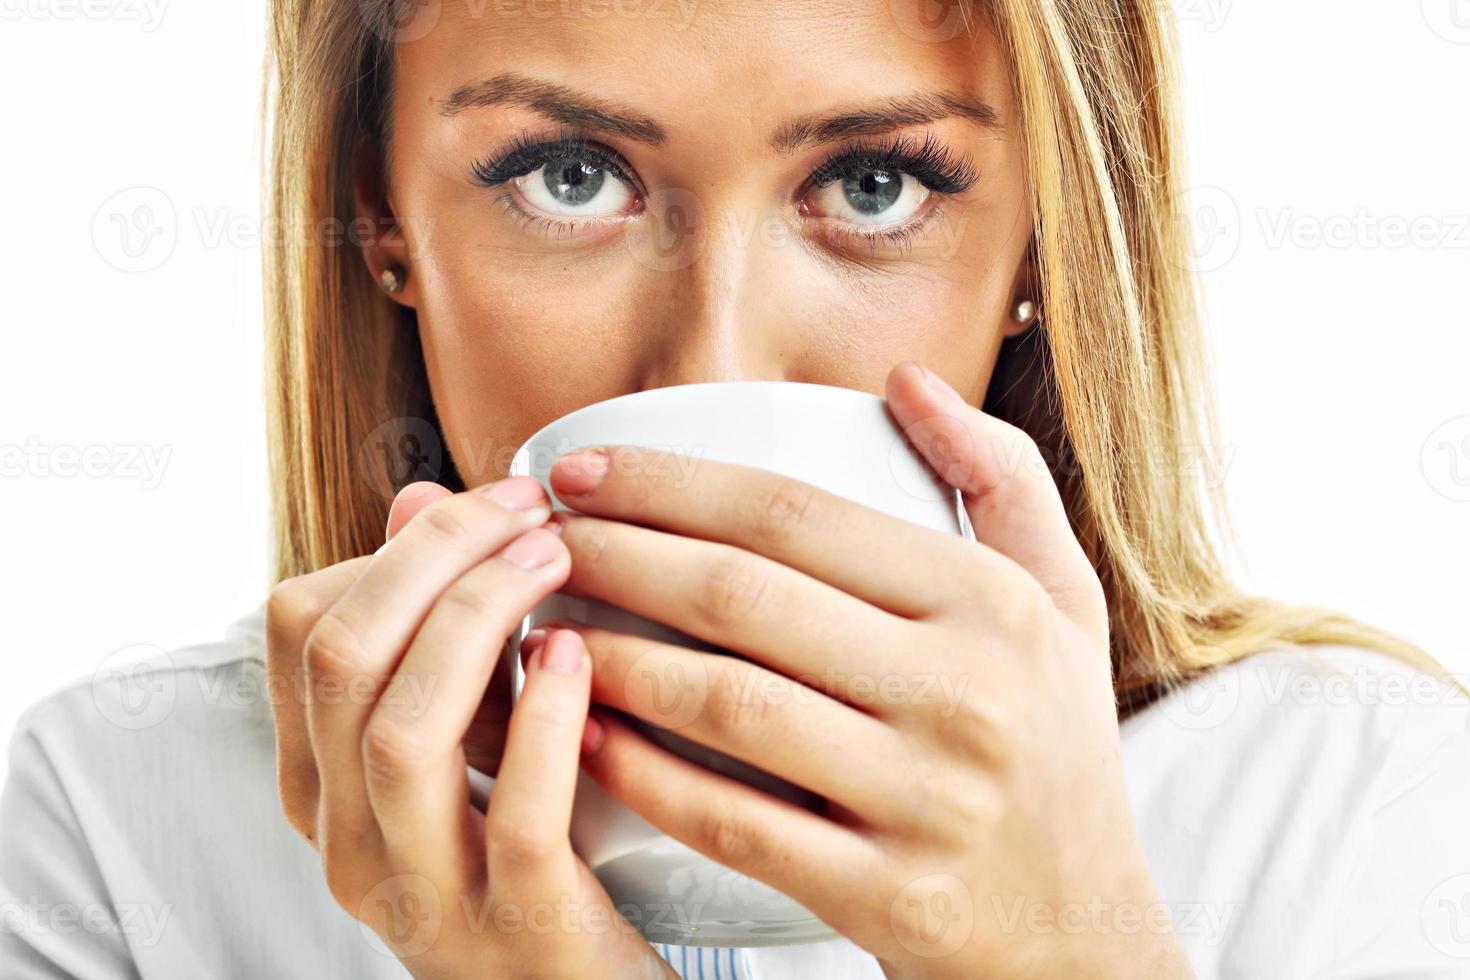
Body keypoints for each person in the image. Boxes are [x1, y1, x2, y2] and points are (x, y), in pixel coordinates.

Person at [4, 0, 1468, 977]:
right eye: (566, 175)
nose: (712, 354)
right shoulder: (112, 819)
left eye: (875, 183)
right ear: (383, 225)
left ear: (1042, 246)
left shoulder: (1356, 797)